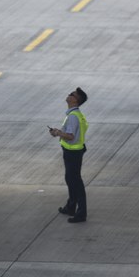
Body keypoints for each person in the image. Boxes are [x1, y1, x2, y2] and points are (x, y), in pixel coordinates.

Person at [49, 87, 88, 223]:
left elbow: (70, 136)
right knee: (70, 180)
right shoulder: (76, 114)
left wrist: (58, 133)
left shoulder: (72, 117)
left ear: (75, 100)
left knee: (75, 182)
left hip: (73, 152)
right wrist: (59, 132)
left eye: (71, 94)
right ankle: (71, 206)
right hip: (74, 151)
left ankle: (81, 213)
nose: (68, 95)